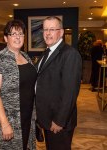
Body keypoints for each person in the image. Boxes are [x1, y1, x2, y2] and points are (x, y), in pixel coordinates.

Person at [0, 20, 36, 150]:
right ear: (5, 38)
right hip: (9, 119)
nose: (18, 37)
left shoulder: (26, 56)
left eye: (20, 34)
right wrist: (4, 123)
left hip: (27, 116)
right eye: (13, 34)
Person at [35, 16, 82, 150]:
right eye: (45, 30)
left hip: (58, 122)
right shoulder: (47, 52)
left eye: (52, 29)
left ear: (61, 32)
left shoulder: (70, 54)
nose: (48, 33)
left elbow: (70, 92)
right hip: (47, 118)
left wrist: (59, 120)